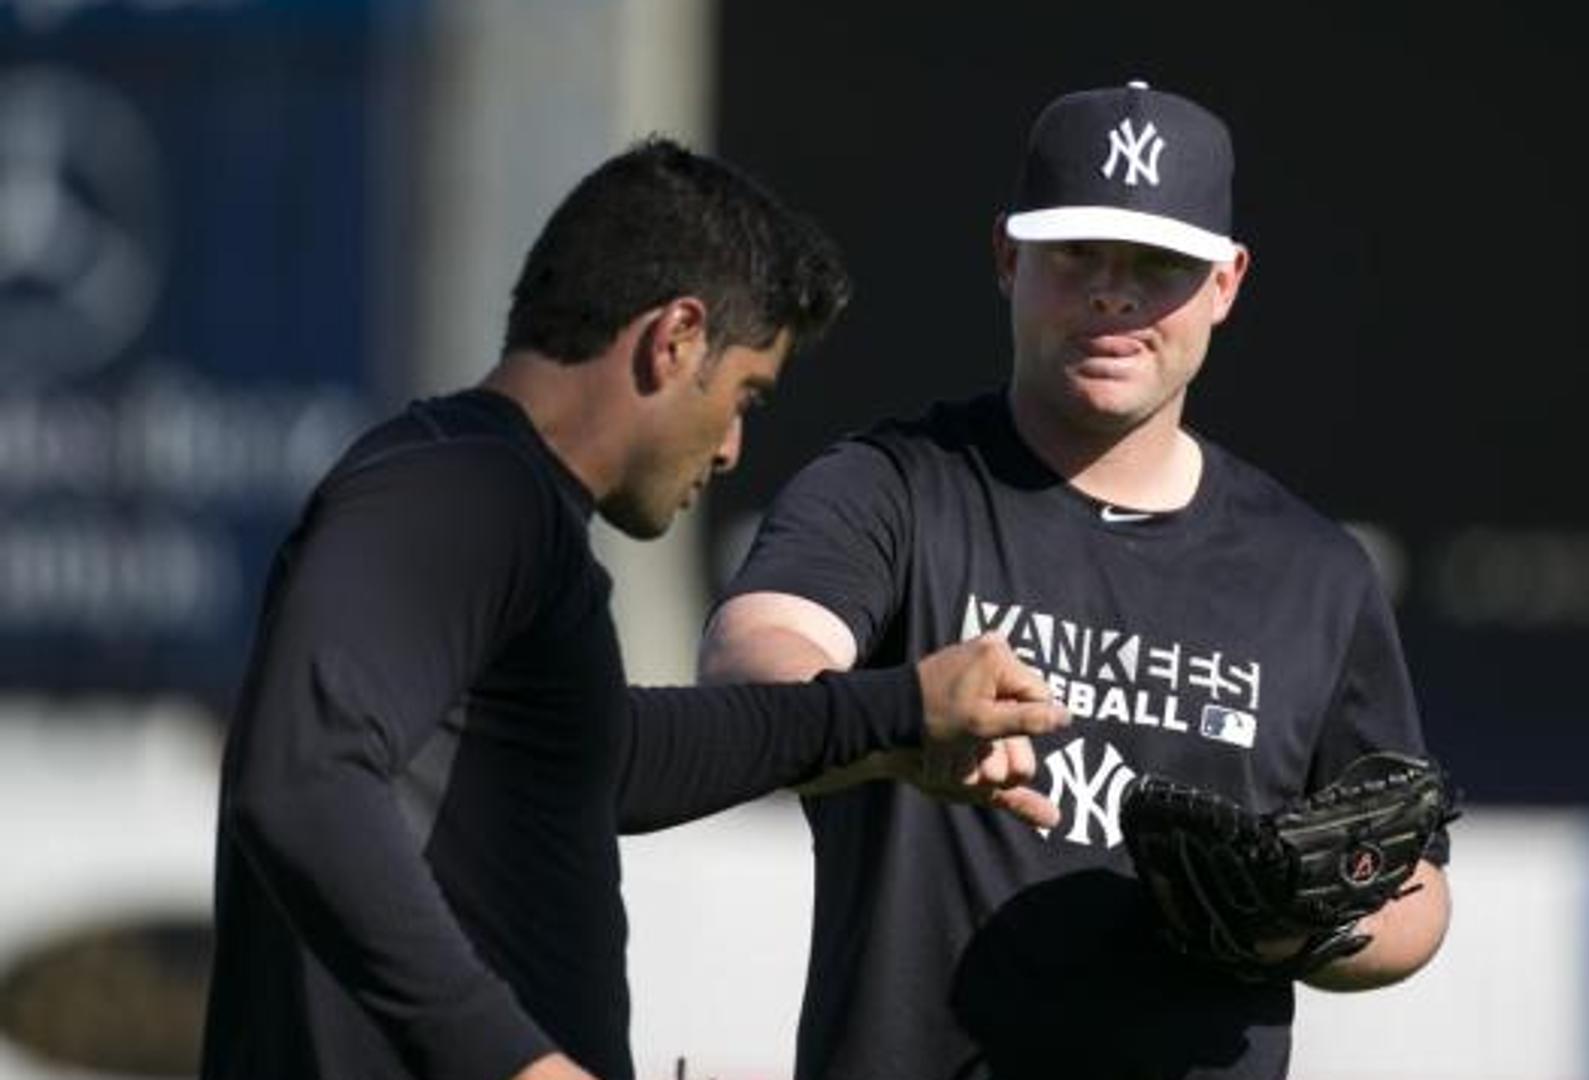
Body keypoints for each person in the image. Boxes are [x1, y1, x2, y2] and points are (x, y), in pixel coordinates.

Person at [198, 136, 1068, 1080]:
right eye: (745, 396)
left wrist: (893, 716)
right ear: (675, 338)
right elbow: (301, 779)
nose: (731, 448)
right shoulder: (452, 489)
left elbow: (606, 756)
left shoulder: (509, 512)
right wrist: (520, 1065)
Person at [699, 82, 1452, 1078]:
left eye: (1157, 264)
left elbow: (1416, 885)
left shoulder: (1316, 573)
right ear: (1007, 257)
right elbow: (752, 656)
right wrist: (899, 721)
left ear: (1226, 283)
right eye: (1077, 255)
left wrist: (1297, 922)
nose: (1112, 294)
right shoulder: (893, 488)